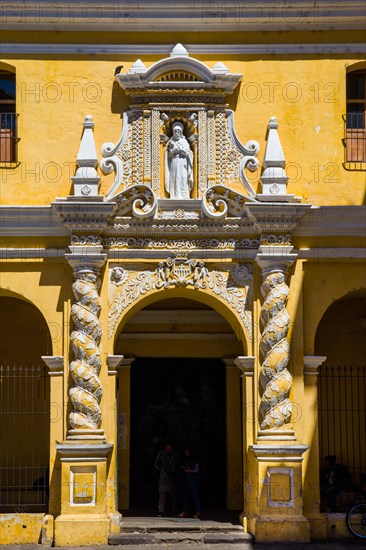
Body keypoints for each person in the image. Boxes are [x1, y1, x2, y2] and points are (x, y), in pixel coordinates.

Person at [165, 122, 193, 199]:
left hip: (183, 162)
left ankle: (184, 195)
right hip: (174, 161)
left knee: (183, 178)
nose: (177, 133)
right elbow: (168, 154)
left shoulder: (184, 141)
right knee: (174, 177)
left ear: (181, 132)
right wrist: (173, 151)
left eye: (178, 131)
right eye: (175, 131)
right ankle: (174, 194)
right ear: (173, 132)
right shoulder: (171, 142)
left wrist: (181, 150)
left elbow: (189, 153)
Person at [154, 442, 180, 516]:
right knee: (162, 494)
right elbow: (157, 463)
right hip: (164, 476)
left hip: (173, 476)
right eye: (167, 447)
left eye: (170, 447)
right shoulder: (161, 454)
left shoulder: (175, 455)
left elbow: (178, 464)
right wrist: (161, 469)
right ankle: (161, 511)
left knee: (174, 495)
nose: (169, 449)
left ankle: (174, 511)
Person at [178, 447, 201, 519]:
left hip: (194, 479)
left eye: (187, 451)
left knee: (194, 495)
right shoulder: (187, 459)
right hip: (188, 478)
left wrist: (189, 471)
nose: (186, 453)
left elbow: (196, 470)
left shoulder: (195, 460)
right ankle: (185, 511)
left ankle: (198, 512)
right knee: (186, 495)